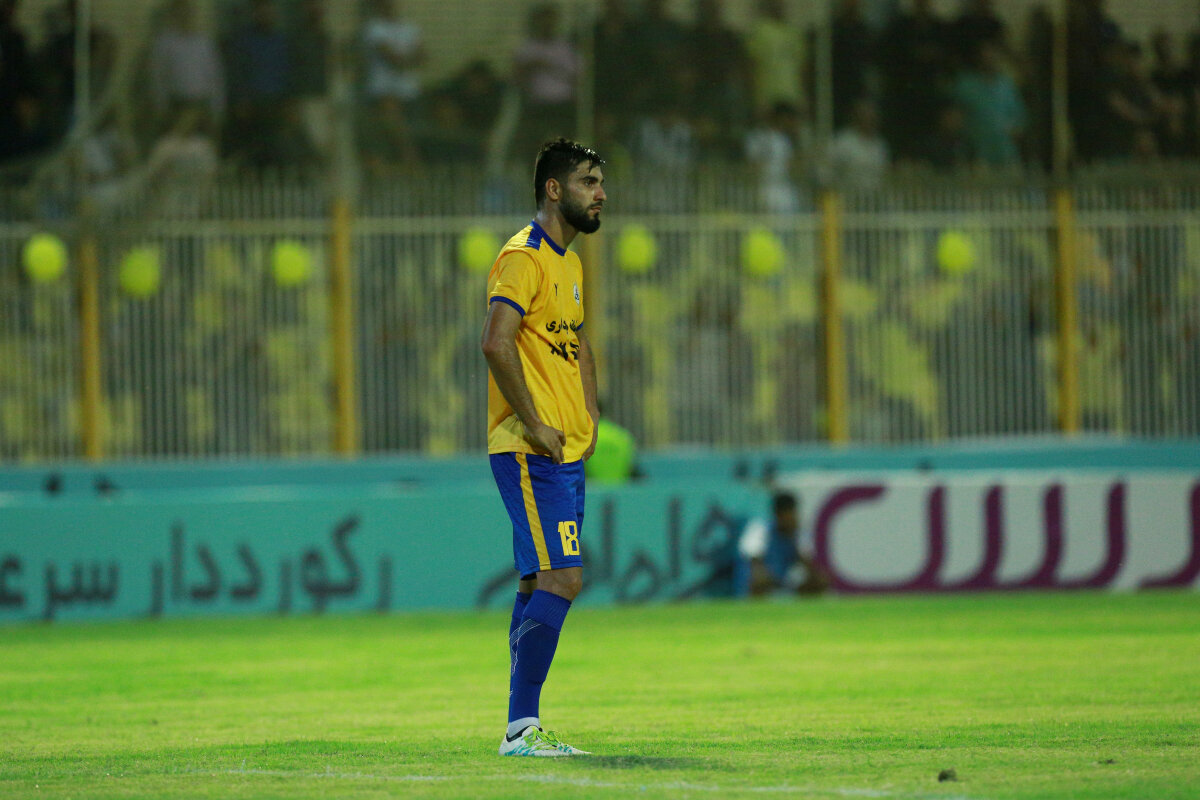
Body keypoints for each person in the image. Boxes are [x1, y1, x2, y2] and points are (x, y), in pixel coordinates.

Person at [481, 138, 606, 757]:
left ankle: (519, 727)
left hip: (564, 447)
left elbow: (574, 343)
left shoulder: (570, 264)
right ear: (554, 189)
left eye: (600, 182)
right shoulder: (523, 256)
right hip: (532, 447)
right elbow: (495, 341)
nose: (600, 193)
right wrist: (533, 422)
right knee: (564, 576)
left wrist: (590, 410)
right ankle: (521, 728)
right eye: (588, 181)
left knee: (537, 579)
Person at [736, 492, 827, 597]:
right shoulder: (761, 529)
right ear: (777, 515)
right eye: (788, 515)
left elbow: (808, 563)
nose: (792, 518)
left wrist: (793, 539)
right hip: (765, 579)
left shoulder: (798, 533)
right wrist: (771, 579)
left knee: (819, 580)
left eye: (793, 513)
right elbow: (755, 562)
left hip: (785, 580)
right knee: (759, 578)